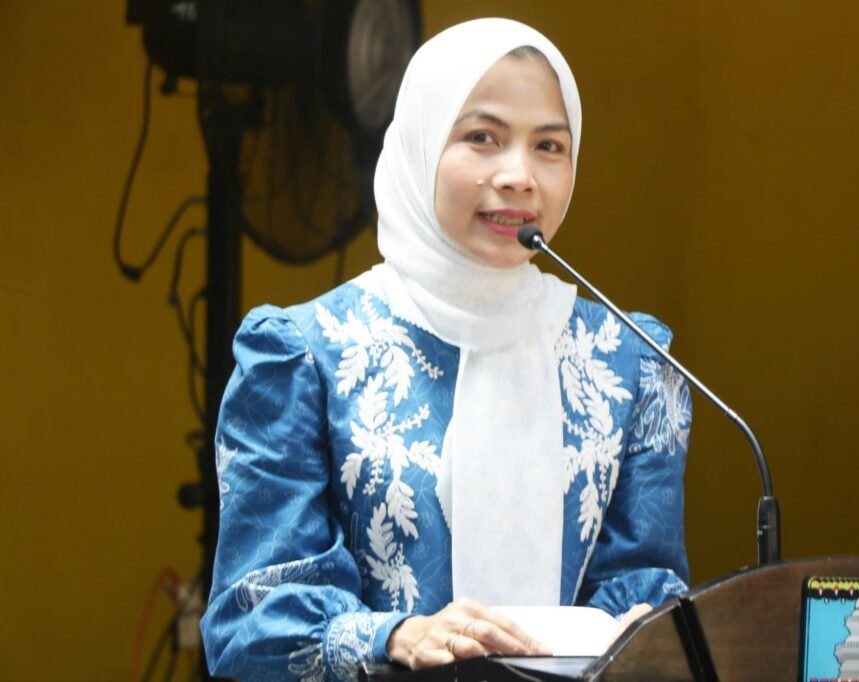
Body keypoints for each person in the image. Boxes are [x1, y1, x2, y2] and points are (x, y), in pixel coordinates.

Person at [200, 17, 692, 680]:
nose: (519, 176)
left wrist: (646, 629)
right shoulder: (303, 357)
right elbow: (250, 623)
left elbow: (645, 585)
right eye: (482, 137)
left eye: (549, 146)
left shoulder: (628, 361)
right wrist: (395, 637)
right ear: (421, 142)